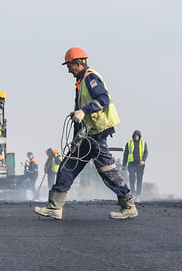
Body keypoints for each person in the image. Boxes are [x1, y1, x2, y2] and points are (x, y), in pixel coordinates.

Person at [33, 47, 136, 220]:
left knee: (107, 170)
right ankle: (55, 207)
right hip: (87, 134)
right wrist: (77, 135)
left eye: (70, 65)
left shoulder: (90, 78)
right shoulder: (81, 82)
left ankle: (128, 205)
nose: (68, 70)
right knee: (67, 167)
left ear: (78, 63)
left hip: (97, 134)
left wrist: (84, 111)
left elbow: (103, 99)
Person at [122, 130, 148, 197]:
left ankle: (138, 194)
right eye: (135, 135)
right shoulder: (129, 143)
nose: (136, 137)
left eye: (137, 136)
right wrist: (123, 165)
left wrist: (143, 160)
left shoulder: (143, 143)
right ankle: (133, 192)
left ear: (139, 136)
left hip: (140, 165)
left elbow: (146, 153)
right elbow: (125, 155)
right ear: (133, 136)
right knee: (132, 178)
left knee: (139, 179)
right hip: (131, 164)